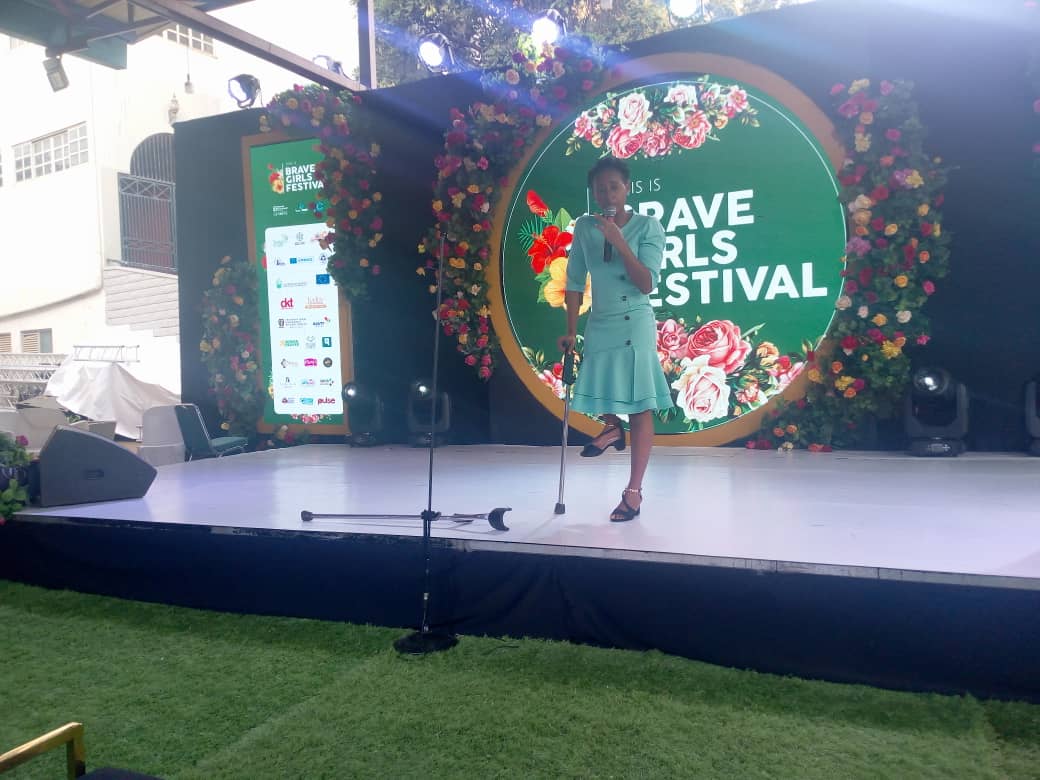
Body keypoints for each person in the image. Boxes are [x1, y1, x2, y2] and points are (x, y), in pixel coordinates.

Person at [556, 157, 673, 522]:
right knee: (594, 387)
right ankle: (612, 426)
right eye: (600, 189)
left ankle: (633, 493)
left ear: (627, 189)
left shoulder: (648, 226)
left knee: (639, 405)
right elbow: (574, 281)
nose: (607, 194)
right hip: (600, 320)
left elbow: (646, 283)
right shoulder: (585, 226)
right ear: (594, 193)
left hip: (634, 320)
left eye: (614, 187)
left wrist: (620, 243)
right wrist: (571, 329)